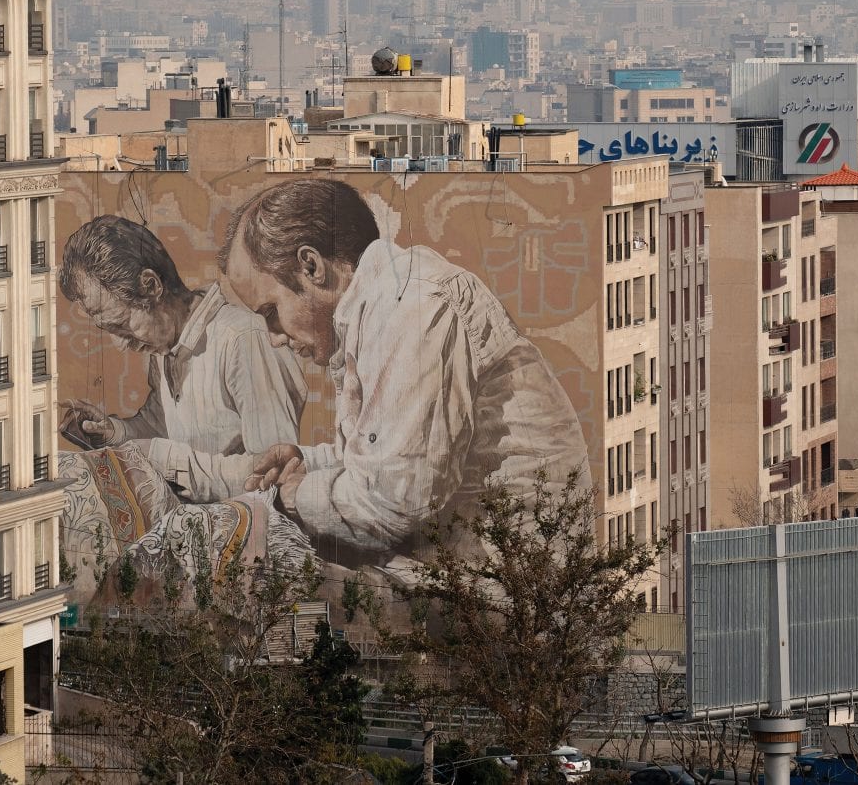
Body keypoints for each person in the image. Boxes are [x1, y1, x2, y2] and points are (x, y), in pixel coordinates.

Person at [219, 179, 591, 568]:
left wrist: (296, 494)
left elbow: (394, 501)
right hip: (474, 568)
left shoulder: (412, 308)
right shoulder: (382, 303)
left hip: (511, 587)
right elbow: (384, 457)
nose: (274, 338)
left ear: (311, 266)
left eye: (270, 313)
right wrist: (307, 463)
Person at [58, 215, 306, 500]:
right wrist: (114, 432)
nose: (120, 343)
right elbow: (162, 428)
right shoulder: (164, 347)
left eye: (123, 324)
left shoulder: (242, 339)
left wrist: (170, 462)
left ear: (151, 286)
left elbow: (276, 472)